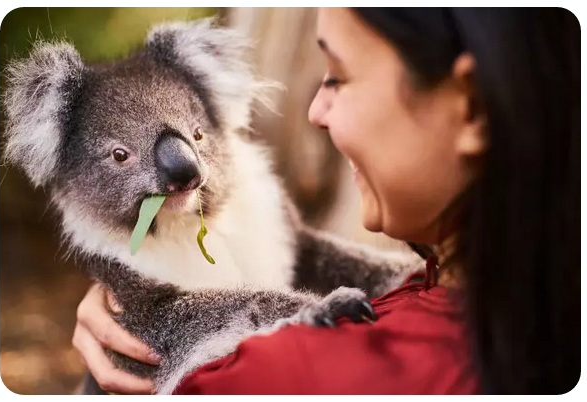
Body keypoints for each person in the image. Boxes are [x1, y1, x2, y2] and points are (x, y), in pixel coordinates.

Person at [72, 8, 580, 394]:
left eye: (337, 75)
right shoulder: (535, 297)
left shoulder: (279, 375)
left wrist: (302, 328)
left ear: (471, 107)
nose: (314, 110)